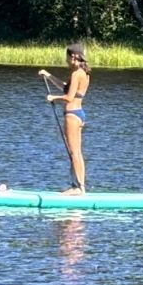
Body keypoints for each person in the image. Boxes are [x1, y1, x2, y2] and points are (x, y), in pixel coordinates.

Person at [38, 42, 91, 195]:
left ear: (73, 57)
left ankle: (77, 187)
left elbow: (68, 97)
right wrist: (48, 75)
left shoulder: (76, 74)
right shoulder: (83, 73)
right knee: (77, 153)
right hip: (79, 114)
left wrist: (53, 98)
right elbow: (65, 87)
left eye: (67, 57)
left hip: (72, 115)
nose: (66, 60)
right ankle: (80, 186)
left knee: (74, 153)